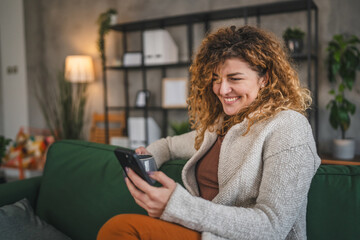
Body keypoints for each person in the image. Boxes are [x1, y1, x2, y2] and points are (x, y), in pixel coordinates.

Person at [97, 25, 321, 240]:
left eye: (234, 78)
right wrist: (145, 162)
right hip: (203, 233)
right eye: (216, 79)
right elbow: (169, 145)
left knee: (121, 229)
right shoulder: (220, 126)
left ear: (265, 78)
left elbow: (272, 226)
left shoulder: (289, 127)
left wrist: (177, 206)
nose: (222, 90)